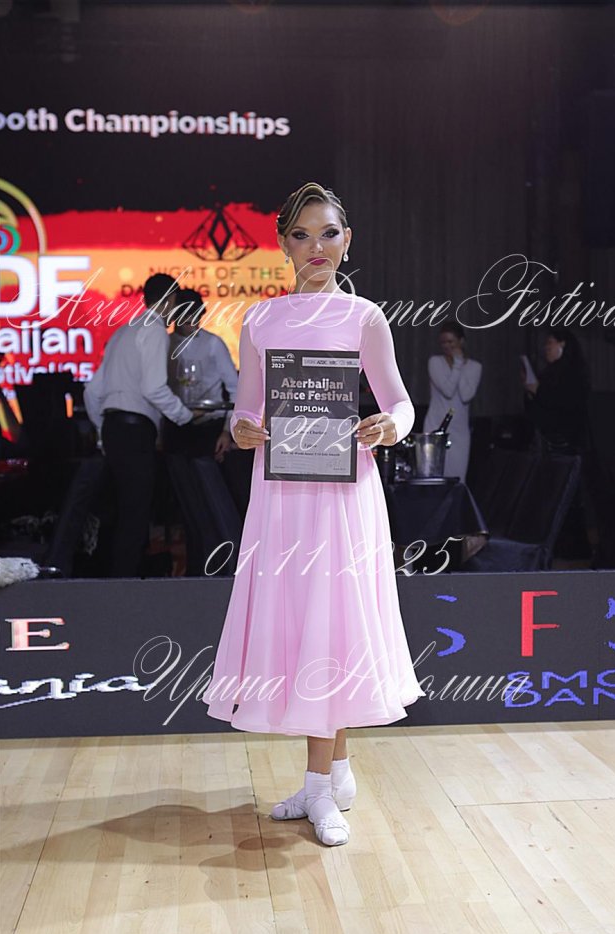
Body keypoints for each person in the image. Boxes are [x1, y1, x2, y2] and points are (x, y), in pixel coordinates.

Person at [201, 182, 426, 847]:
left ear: (346, 240)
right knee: (311, 627)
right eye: (301, 235)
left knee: (335, 626)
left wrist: (391, 426)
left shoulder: (364, 317)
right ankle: (335, 775)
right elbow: (246, 408)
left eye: (328, 233)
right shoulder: (261, 321)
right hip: (282, 498)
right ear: (283, 244)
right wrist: (243, 428)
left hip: (344, 494)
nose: (316, 247)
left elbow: (401, 402)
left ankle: (321, 787)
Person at [84, 273, 206, 577]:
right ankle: (127, 586)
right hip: (135, 431)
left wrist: (102, 432)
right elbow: (153, 389)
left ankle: (114, 581)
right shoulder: (155, 331)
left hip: (114, 429)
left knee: (122, 510)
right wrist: (185, 416)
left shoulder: (122, 332)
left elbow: (92, 391)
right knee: (136, 513)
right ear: (170, 300)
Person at [163, 288, 238, 460]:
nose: (193, 324)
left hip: (210, 424)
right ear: (175, 317)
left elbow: (235, 388)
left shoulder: (213, 343)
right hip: (175, 424)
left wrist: (227, 431)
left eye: (196, 318)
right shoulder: (165, 342)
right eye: (187, 319)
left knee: (206, 473)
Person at [422, 320, 482, 481]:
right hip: (435, 425)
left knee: (458, 478)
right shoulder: (435, 362)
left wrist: (459, 364)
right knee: (433, 477)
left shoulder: (475, 367)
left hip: (459, 431)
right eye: (443, 342)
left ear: (461, 341)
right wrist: (457, 365)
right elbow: (448, 391)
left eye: (451, 341)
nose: (447, 346)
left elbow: (466, 395)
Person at [523, 330, 591, 454]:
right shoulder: (548, 373)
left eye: (550, 342)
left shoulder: (574, 374)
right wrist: (530, 392)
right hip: (545, 439)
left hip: (564, 441)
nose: (546, 347)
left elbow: (563, 402)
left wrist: (538, 390)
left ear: (562, 344)